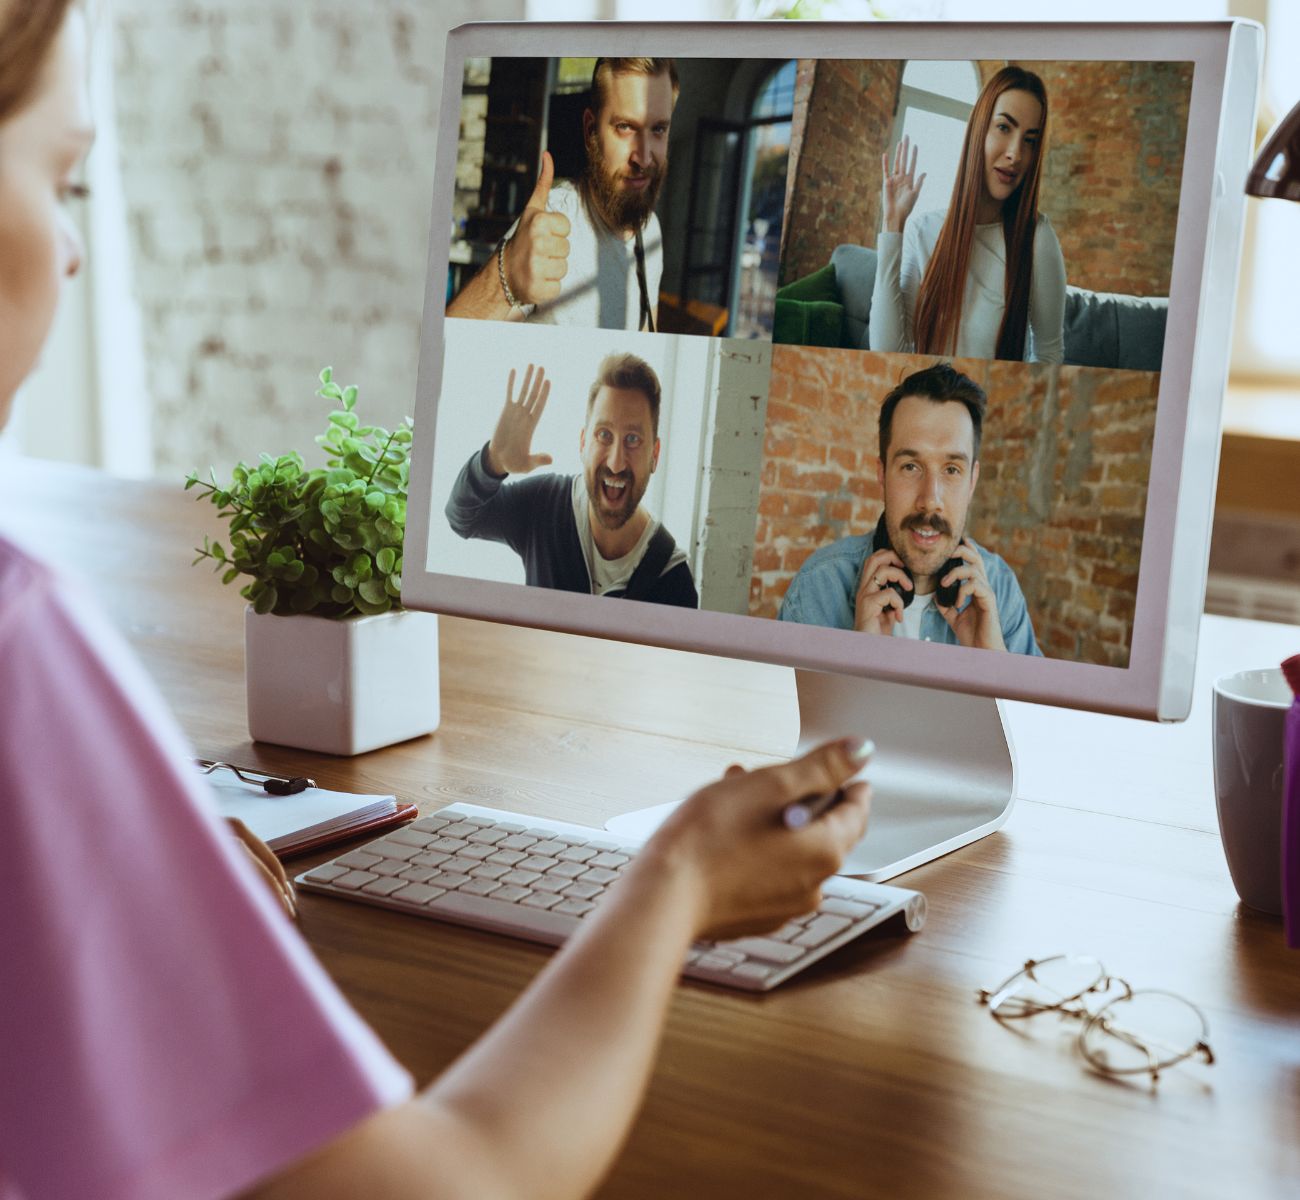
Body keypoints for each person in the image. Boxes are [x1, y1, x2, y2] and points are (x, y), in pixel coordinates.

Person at [1, 7, 877, 1198]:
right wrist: (676, 881)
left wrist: (134, 879)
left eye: (661, 131)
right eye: (60, 180)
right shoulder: (18, 640)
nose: (72, 250)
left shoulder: (670, 538)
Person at [779, 363, 1042, 655]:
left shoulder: (1001, 589)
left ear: (972, 481)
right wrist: (860, 654)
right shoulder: (818, 586)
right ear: (882, 474)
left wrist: (994, 660)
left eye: (951, 470)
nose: (930, 499)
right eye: (910, 466)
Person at [445, 354, 699, 606]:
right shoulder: (544, 504)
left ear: (654, 455)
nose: (616, 463)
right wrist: (493, 462)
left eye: (633, 439)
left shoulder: (675, 584)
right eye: (604, 435)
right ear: (583, 443)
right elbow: (463, 519)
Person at [446, 57, 677, 331]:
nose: (644, 158)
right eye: (625, 127)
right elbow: (446, 348)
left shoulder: (650, 230)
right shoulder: (552, 222)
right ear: (590, 130)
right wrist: (504, 277)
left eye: (658, 129)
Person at [868, 66, 1066, 364]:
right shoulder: (922, 231)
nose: (1015, 154)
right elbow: (886, 353)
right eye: (1004, 128)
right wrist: (892, 225)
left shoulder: (1036, 238)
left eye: (1030, 140)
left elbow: (1049, 354)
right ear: (978, 131)